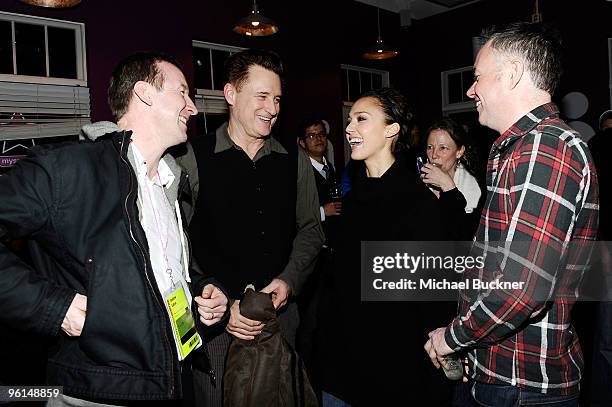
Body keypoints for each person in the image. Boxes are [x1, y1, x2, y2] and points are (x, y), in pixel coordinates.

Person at [0, 52, 228, 405]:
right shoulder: (68, 169)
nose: (192, 108)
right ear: (145, 93)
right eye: (182, 93)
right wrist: (54, 307)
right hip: (99, 391)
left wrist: (201, 288)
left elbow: (150, 272)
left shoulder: (170, 182)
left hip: (174, 382)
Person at [424, 22, 599, 407]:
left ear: (514, 73)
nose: (471, 90)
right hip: (501, 372)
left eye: (478, 77)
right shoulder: (524, 148)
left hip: (520, 384)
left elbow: (523, 289)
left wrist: (450, 337)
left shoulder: (545, 147)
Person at [185, 49, 324, 407]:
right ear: (231, 94)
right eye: (262, 96)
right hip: (215, 328)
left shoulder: (296, 161)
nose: (273, 108)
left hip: (281, 323)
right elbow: (174, 245)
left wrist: (290, 279)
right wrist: (222, 304)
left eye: (277, 98)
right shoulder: (190, 157)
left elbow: (311, 229)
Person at [314, 87, 452, 406]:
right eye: (350, 120)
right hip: (340, 370)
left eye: (362, 119)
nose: (349, 129)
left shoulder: (419, 203)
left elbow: (434, 298)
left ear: (391, 129)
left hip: (395, 373)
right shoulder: (351, 200)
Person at [296, 118, 341, 376]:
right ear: (302, 143)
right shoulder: (301, 172)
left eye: (321, 135)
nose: (318, 139)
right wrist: (323, 212)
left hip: (331, 251)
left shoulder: (329, 167)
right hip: (312, 256)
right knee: (309, 322)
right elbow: (294, 214)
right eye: (312, 136)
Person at [420, 118, 482, 240]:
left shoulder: (477, 190)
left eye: (443, 148)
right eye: (430, 147)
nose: (433, 155)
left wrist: (449, 187)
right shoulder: (417, 184)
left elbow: (463, 237)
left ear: (459, 152)